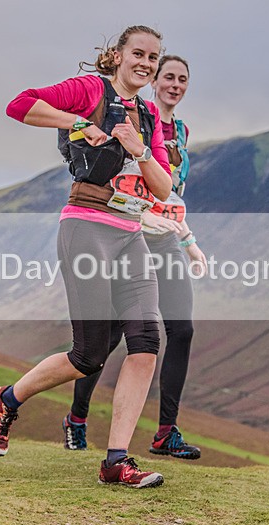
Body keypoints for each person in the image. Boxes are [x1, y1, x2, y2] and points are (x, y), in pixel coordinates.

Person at [0, 25, 173, 489]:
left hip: (131, 234)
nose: (146, 64)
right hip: (87, 228)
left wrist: (140, 150)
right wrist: (79, 123)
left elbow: (164, 188)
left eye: (153, 57)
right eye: (138, 54)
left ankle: (116, 461)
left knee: (147, 341)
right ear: (118, 55)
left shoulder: (149, 114)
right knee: (88, 356)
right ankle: (7, 399)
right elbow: (20, 104)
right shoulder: (90, 89)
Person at [61, 55, 207, 460]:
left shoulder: (179, 130)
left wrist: (187, 237)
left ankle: (165, 432)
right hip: (127, 232)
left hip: (168, 237)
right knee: (106, 339)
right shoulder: (131, 117)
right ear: (153, 81)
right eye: (168, 77)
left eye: (183, 79)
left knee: (182, 330)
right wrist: (144, 217)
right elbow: (120, 179)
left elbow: (171, 189)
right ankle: (77, 419)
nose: (175, 85)